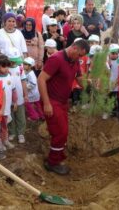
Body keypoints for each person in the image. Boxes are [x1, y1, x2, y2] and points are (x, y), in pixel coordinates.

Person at [38, 39, 90, 175]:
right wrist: (47, 103)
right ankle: (52, 162)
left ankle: (57, 155)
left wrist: (90, 86)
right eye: (79, 55)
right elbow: (41, 79)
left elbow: (79, 78)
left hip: (63, 102)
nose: (79, 59)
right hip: (52, 101)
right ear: (74, 48)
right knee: (60, 132)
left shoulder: (74, 61)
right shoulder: (56, 59)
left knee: (63, 131)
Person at [0, 54, 17, 149]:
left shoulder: (10, 76)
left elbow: (13, 89)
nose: (6, 68)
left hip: (6, 107)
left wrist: (15, 101)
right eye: (3, 66)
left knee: (4, 125)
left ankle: (5, 140)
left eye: (7, 66)